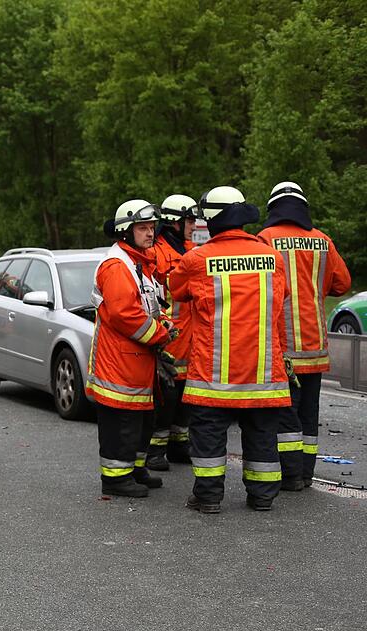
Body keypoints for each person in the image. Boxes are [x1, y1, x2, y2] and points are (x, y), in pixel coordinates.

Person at [169, 186, 291, 513]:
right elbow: (285, 295)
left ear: (210, 221)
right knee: (262, 434)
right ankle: (262, 497)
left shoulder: (197, 258)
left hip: (214, 372)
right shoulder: (272, 257)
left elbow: (176, 290)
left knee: (208, 434)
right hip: (263, 371)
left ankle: (208, 498)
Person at [257, 181, 352, 491]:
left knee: (286, 415)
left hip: (281, 348)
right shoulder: (323, 241)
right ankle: (306, 473)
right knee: (309, 415)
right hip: (315, 348)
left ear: (273, 208)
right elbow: (342, 284)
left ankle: (290, 475)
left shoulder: (266, 239)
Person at [86, 200, 171, 498]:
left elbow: (150, 305)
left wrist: (165, 323)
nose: (150, 234)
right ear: (126, 231)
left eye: (152, 228)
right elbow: (125, 314)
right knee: (121, 422)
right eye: (143, 228)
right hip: (119, 363)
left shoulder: (138, 263)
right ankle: (115, 478)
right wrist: (160, 335)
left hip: (135, 361)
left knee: (140, 420)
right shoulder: (117, 265)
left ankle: (134, 469)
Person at [146, 195, 198, 470]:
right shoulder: (156, 252)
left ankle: (179, 445)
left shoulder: (191, 249)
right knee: (166, 400)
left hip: (189, 340)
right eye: (189, 220)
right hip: (168, 339)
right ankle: (154, 452)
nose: (193, 225)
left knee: (184, 400)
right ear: (174, 222)